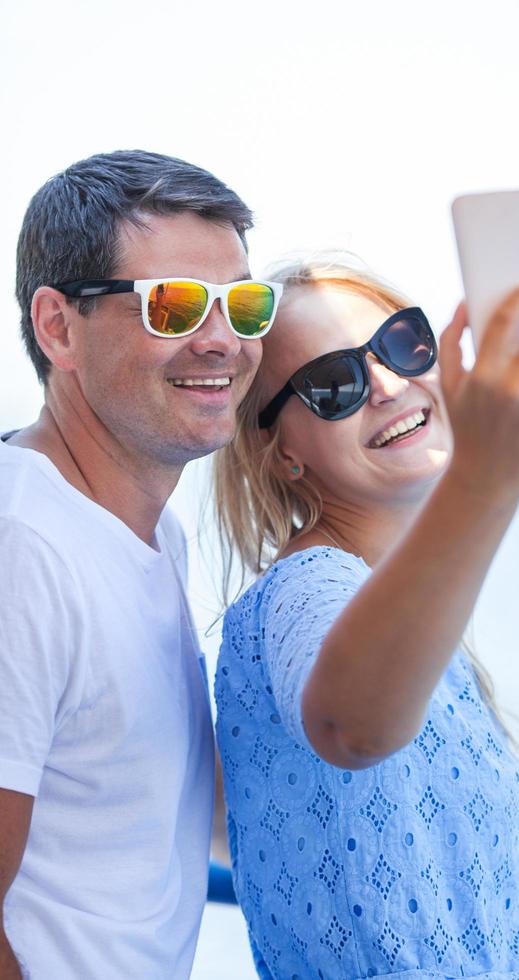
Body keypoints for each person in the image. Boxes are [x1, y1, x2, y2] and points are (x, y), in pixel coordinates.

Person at [214, 255, 519, 979]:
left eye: (401, 343)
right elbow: (351, 727)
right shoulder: (311, 584)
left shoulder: (388, 603)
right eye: (335, 385)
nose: (390, 386)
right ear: (282, 455)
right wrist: (488, 476)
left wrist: (501, 931)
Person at [0, 150, 282, 979]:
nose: (223, 340)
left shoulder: (153, 536)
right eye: (175, 305)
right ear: (58, 327)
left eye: (243, 303)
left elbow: (153, 807)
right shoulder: (25, 551)